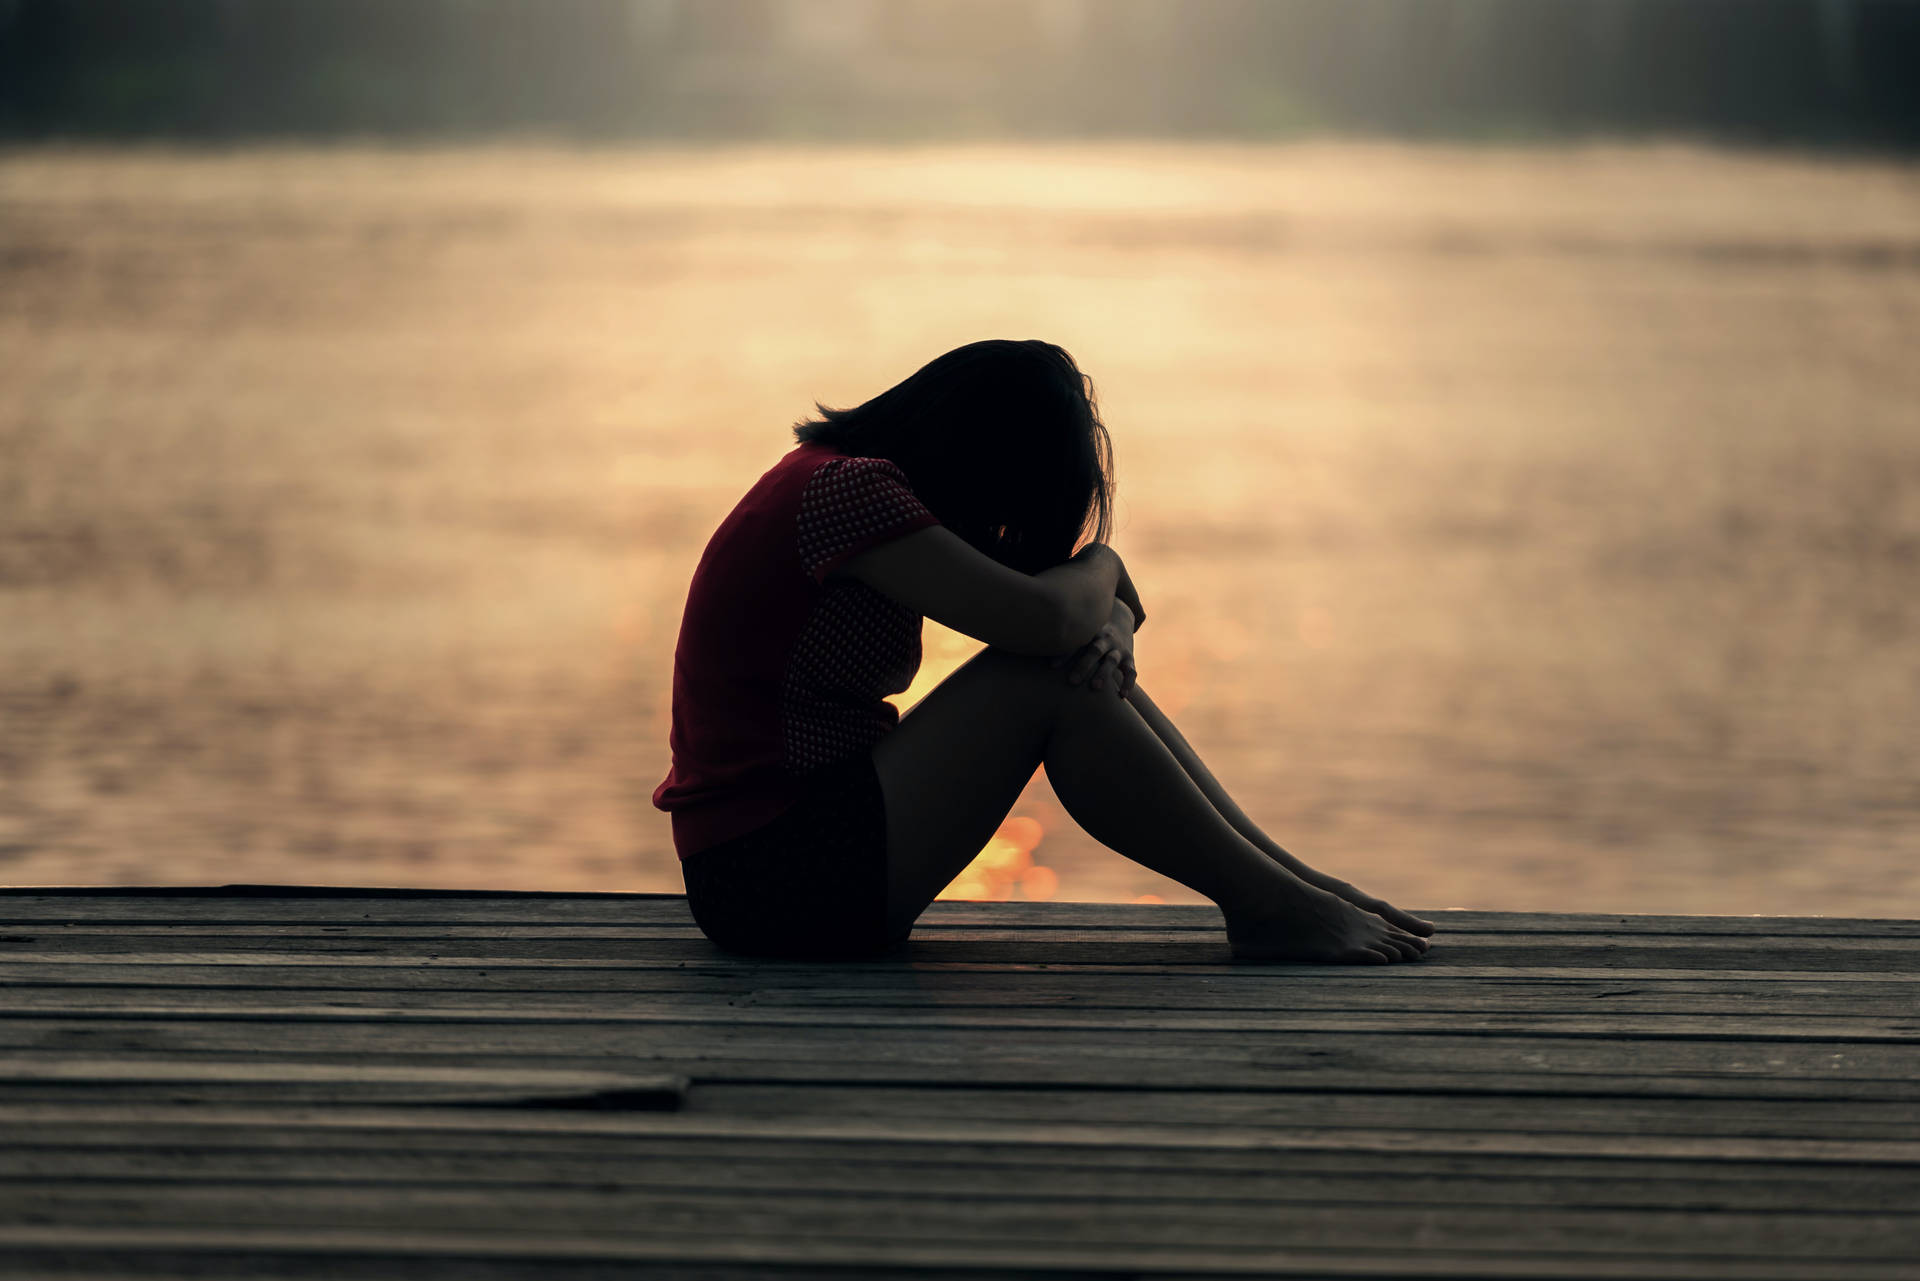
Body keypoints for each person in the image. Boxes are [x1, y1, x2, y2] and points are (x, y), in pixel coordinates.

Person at [653, 339, 1434, 963]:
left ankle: (1290, 887)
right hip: (771, 878)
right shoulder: (847, 493)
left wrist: (1112, 622)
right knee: (1044, 677)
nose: (1002, 528)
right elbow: (1048, 619)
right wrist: (1103, 565)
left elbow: (1077, 617)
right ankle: (1273, 905)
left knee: (1064, 668)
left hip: (791, 865)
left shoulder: (843, 487)